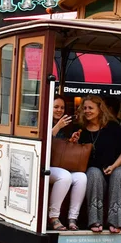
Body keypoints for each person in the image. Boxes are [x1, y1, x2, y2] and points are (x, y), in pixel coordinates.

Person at [71, 96, 121, 234]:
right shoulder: (81, 129)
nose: (87, 111)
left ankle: (115, 221)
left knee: (120, 173)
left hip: (114, 166)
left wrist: (113, 166)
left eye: (90, 108)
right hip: (93, 170)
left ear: (100, 109)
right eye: (84, 108)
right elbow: (75, 155)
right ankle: (95, 221)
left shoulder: (113, 127)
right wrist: (74, 142)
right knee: (93, 173)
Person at [48, 95, 87, 231]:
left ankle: (72, 217)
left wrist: (72, 140)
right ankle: (53, 216)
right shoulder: (43, 121)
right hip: (45, 165)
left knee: (82, 177)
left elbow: (62, 148)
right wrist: (57, 127)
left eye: (62, 107)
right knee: (65, 176)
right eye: (56, 107)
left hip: (61, 164)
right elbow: (43, 142)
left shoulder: (66, 125)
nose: (59, 110)